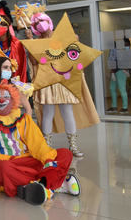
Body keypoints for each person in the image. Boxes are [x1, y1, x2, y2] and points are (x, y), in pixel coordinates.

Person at [0, 81, 80, 206]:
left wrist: (47, 160)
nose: (1, 100)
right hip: (4, 164)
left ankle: (41, 186)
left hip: (27, 161)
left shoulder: (23, 119)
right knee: (4, 168)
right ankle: (55, 184)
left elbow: (38, 145)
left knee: (65, 153)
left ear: (13, 99)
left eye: (6, 97)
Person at [23, 12, 100, 158]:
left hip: (64, 80)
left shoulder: (65, 36)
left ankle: (73, 145)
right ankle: (46, 146)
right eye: (36, 22)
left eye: (41, 20)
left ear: (48, 21)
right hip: (47, 81)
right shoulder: (36, 41)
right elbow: (33, 62)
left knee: (67, 112)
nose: (39, 23)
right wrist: (31, 42)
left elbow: (75, 55)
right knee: (48, 114)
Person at [0, 47, 33, 116]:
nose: (8, 70)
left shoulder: (16, 86)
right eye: (5, 67)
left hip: (11, 124)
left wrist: (26, 125)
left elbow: (28, 109)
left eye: (10, 68)